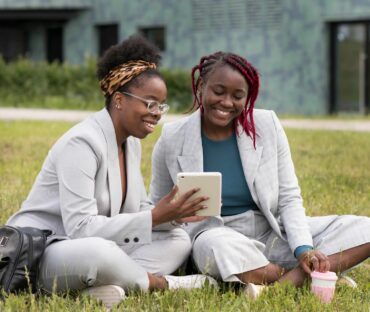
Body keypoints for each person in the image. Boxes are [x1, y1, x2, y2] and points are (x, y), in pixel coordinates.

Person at [6, 35, 216, 309]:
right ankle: (161, 284)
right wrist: (153, 216)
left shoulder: (130, 143)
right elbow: (80, 229)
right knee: (100, 252)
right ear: (119, 100)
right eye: (150, 103)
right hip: (43, 253)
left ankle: (107, 286)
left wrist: (172, 216)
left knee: (177, 240)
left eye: (161, 106)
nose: (157, 114)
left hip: (92, 248)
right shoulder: (81, 142)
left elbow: (137, 209)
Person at [149, 51, 370, 298]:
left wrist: (304, 249)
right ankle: (308, 278)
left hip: (271, 231)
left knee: (365, 228)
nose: (226, 102)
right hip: (215, 235)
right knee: (216, 247)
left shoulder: (267, 125)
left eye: (237, 96)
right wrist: (177, 214)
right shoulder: (172, 137)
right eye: (218, 92)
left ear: (248, 97)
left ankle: (280, 283)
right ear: (201, 86)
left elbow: (288, 198)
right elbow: (156, 207)